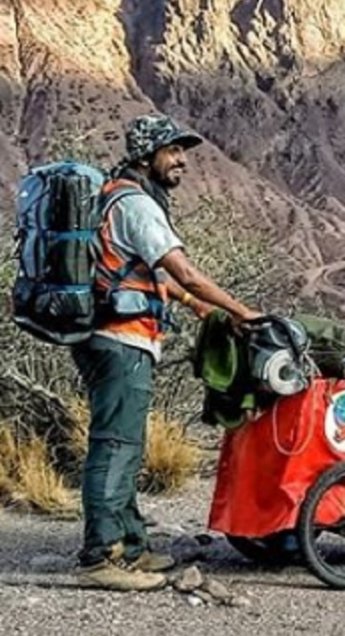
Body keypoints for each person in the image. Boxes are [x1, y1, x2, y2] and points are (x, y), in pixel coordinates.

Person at [71, 113, 262, 591]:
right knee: (115, 446)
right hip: (121, 340)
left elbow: (144, 273)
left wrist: (194, 306)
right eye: (173, 151)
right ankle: (100, 557)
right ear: (146, 155)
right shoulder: (136, 204)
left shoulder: (115, 195)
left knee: (126, 444)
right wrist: (243, 312)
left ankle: (131, 546)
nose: (182, 161)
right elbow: (183, 270)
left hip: (110, 337)